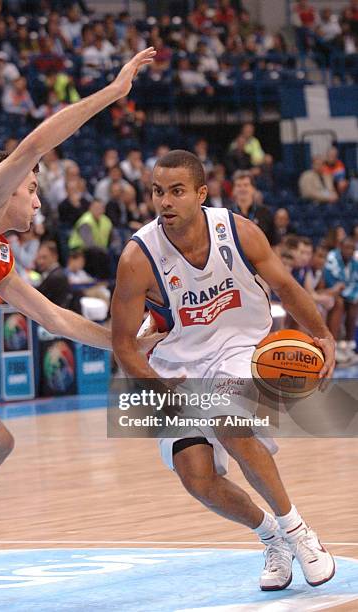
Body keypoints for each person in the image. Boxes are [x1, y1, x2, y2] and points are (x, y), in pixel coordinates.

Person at [0, 47, 158, 592]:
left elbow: (55, 317)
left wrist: (128, 344)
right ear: (6, 188)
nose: (38, 202)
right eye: (31, 190)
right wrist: (114, 93)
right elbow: (36, 143)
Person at [111, 149, 336, 592]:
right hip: (177, 364)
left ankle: (298, 531)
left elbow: (286, 287)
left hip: (241, 347)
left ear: (201, 193)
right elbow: (123, 345)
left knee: (229, 423)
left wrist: (323, 333)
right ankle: (271, 537)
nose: (165, 202)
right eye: (158, 192)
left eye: (176, 191)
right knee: (196, 477)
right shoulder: (138, 257)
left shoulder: (238, 231)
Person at [228, 170, 275, 244]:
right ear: (233, 190)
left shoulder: (265, 212)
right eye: (238, 185)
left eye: (246, 185)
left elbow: (274, 243)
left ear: (253, 189)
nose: (242, 189)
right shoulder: (226, 214)